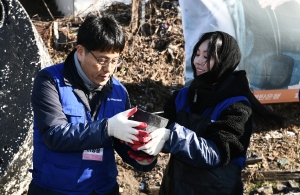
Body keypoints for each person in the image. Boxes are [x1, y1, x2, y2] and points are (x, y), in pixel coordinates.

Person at [137, 31, 285, 195]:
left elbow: (214, 154)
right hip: (175, 187)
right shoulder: (184, 95)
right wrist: (140, 126)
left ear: (225, 61)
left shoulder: (237, 107)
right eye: (197, 54)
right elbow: (164, 126)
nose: (198, 61)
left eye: (207, 57)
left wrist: (170, 136)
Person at [27, 14, 156, 195]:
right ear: (80, 52)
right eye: (102, 60)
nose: (108, 69)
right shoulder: (50, 81)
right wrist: (107, 128)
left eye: (114, 60)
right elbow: (54, 135)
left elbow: (122, 142)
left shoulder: (119, 91)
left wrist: (144, 154)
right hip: (56, 188)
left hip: (103, 188)